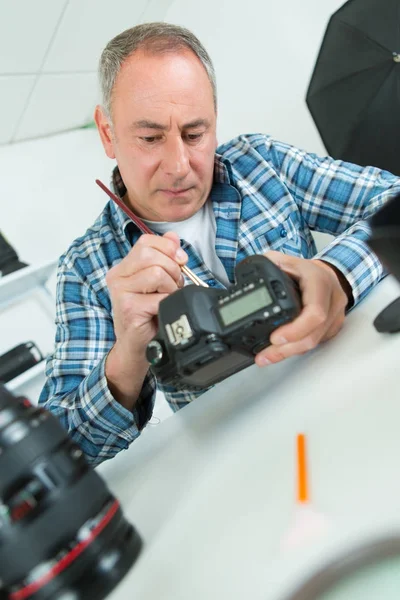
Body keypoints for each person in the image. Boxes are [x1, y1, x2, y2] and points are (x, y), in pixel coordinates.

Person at [39, 22, 400, 466]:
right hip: (244, 466)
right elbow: (60, 454)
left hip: (347, 399)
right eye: (150, 138)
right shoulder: (86, 268)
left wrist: (335, 275)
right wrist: (128, 355)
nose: (178, 166)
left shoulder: (262, 162)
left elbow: (393, 203)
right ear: (108, 133)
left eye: (195, 134)